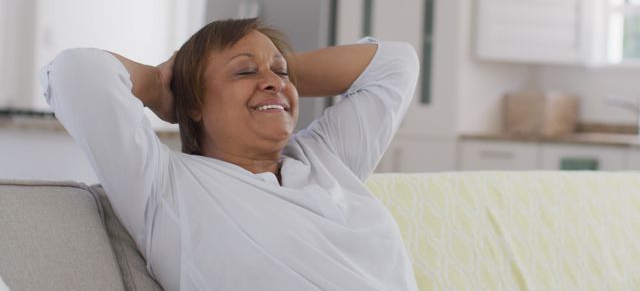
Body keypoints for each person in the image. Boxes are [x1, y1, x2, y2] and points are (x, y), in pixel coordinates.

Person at [41, 18, 419, 291]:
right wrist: (161, 85)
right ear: (194, 104)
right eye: (243, 72)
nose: (273, 81)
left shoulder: (326, 160)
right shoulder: (164, 187)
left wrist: (276, 74)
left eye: (281, 72)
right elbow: (75, 71)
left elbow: (397, 63)